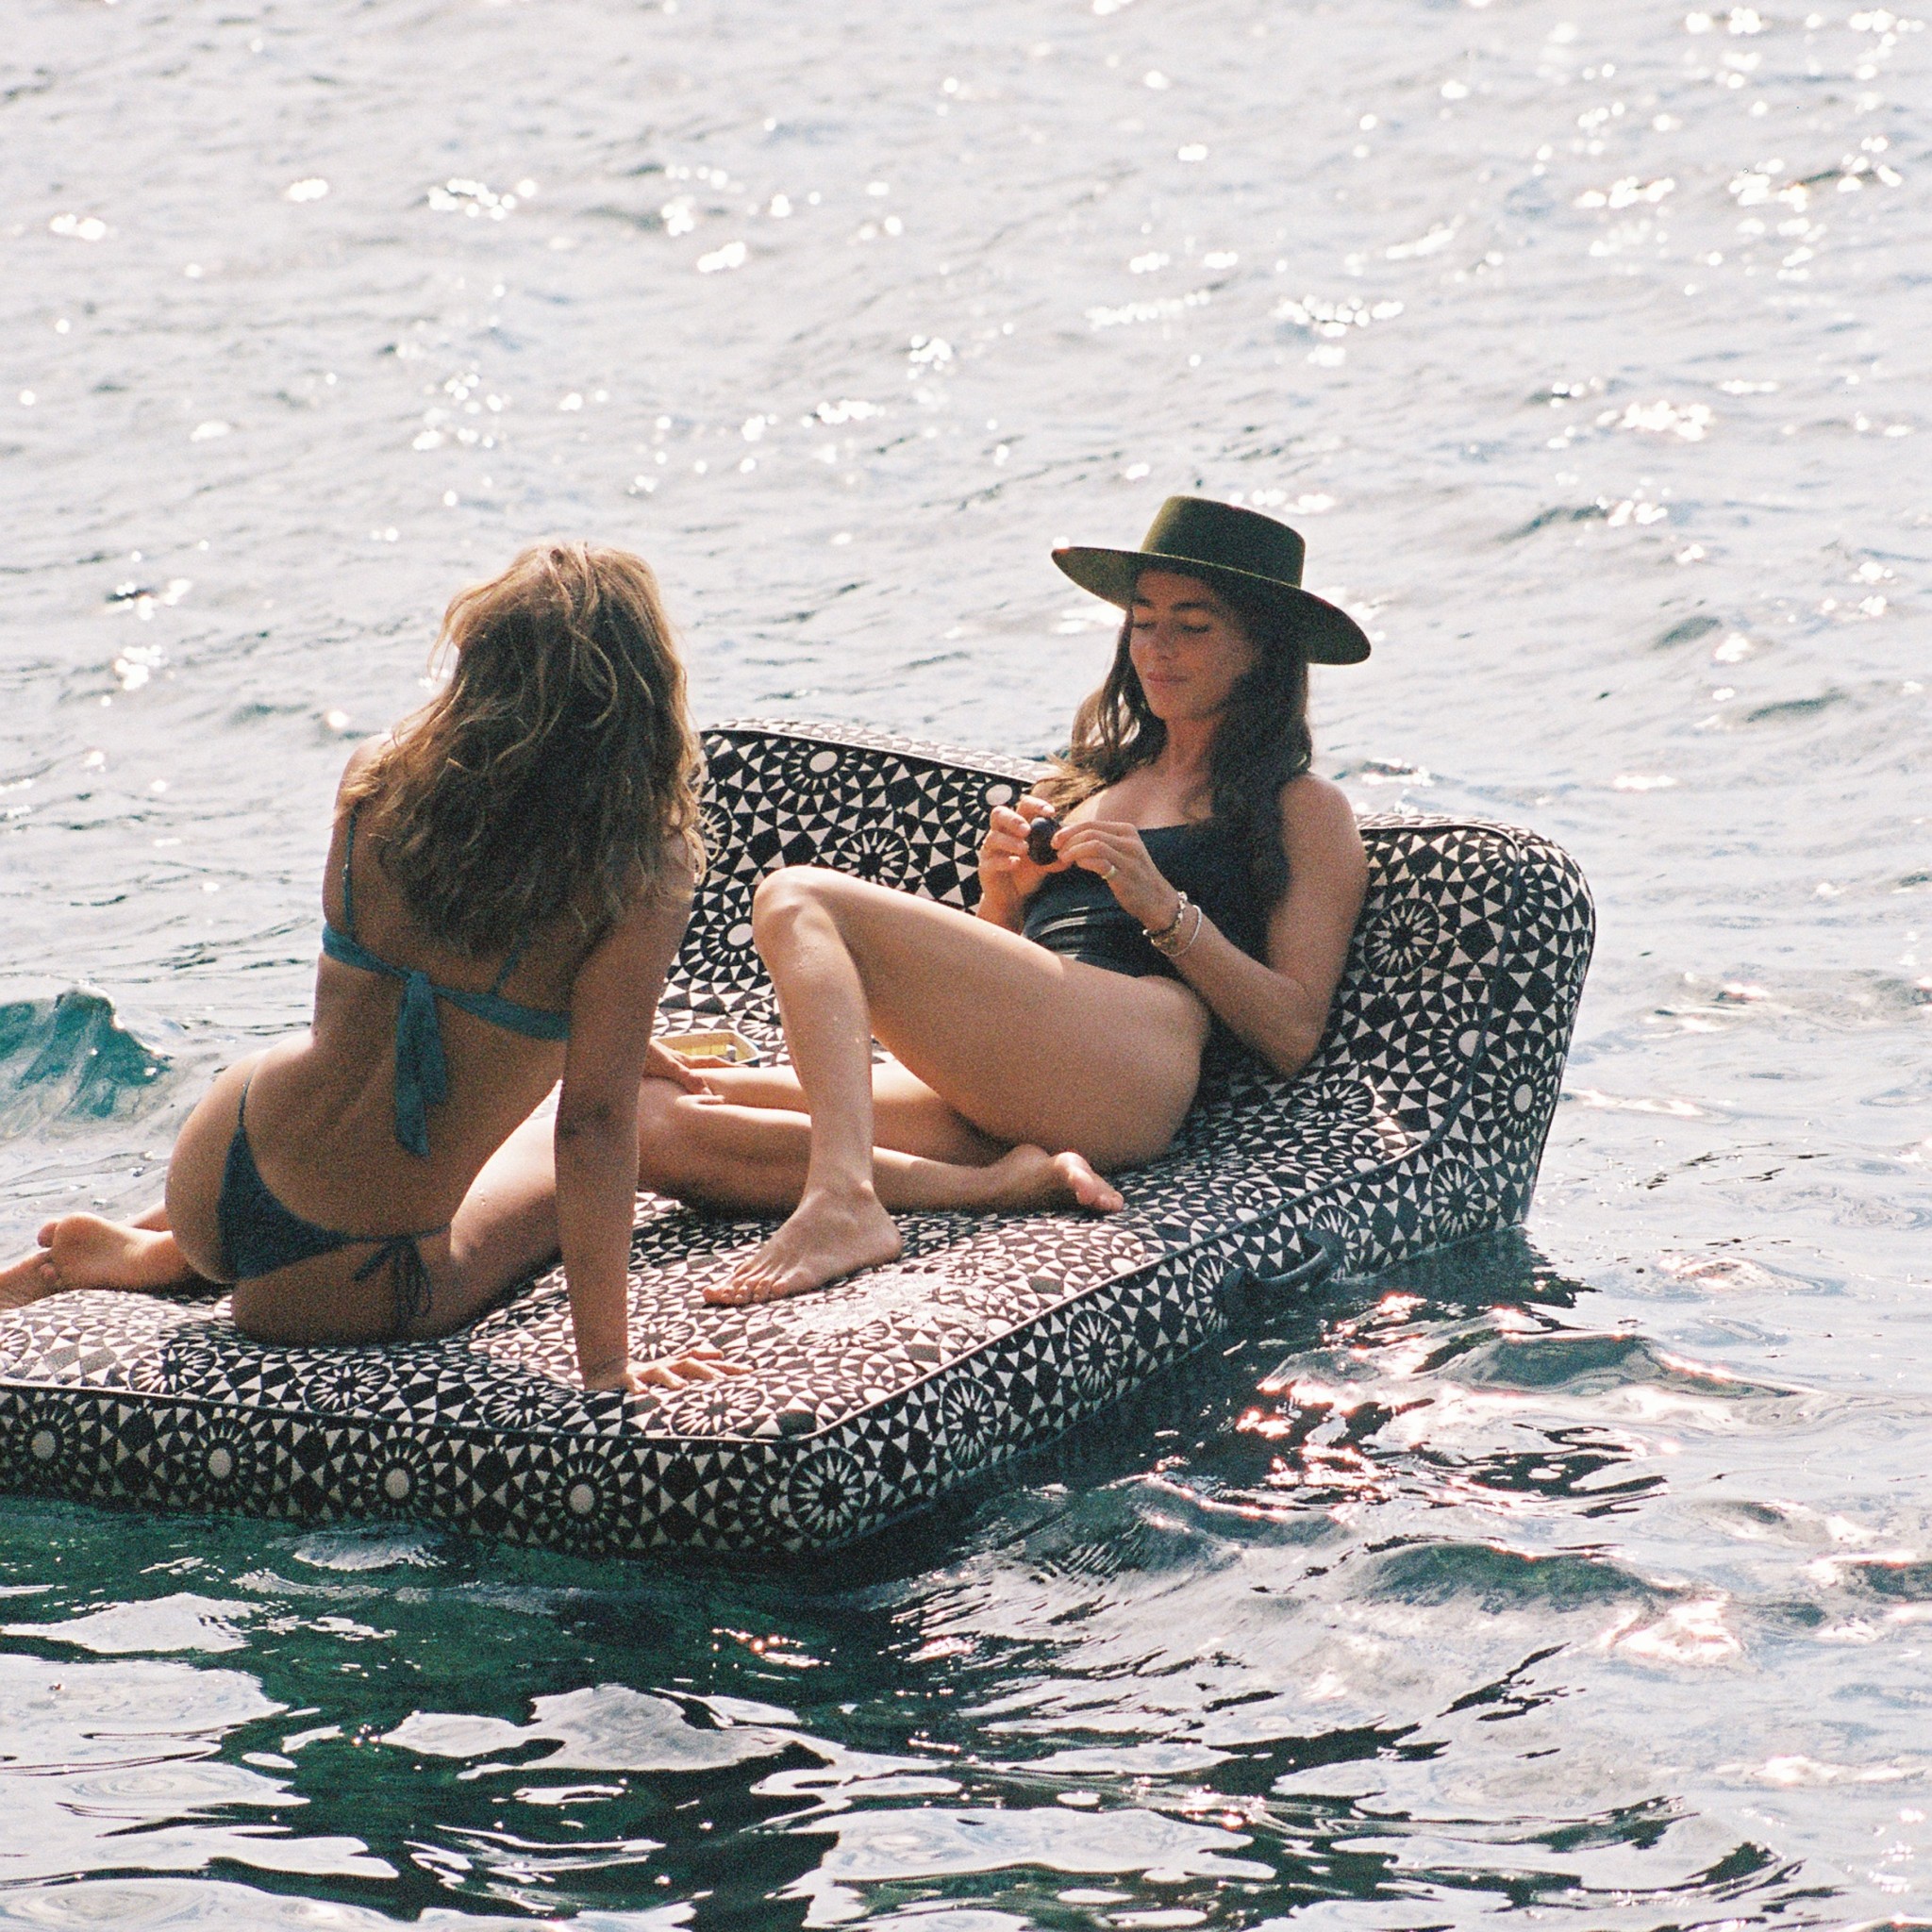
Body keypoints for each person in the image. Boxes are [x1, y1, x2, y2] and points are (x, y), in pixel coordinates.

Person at [0, 543, 746, 1396]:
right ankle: (182, 1261)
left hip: (221, 1159)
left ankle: (162, 1253)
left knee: (349, 1090)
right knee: (637, 1120)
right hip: (362, 1275)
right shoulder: (639, 871)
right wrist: (608, 1369)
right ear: (644, 697)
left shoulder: (378, 776)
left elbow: (395, 1006)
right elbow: (594, 1123)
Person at [632, 495, 1373, 1305]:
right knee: (653, 1119)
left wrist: (1166, 910)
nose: (1157, 649)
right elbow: (1010, 978)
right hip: (1022, 1079)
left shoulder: (1301, 807)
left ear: (1262, 648)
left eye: (1192, 626)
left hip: (1136, 1060)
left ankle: (843, 1198)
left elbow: (1293, 1032)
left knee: (795, 896)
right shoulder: (1080, 784)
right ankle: (999, 1185)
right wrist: (1003, 895)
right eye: (1143, 620)